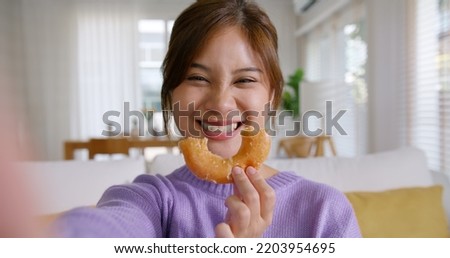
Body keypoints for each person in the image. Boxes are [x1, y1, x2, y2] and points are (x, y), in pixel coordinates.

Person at [53, 0, 361, 238]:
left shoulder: (324, 212)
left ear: (272, 96)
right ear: (171, 94)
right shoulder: (151, 201)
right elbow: (98, 231)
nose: (220, 103)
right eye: (198, 77)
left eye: (244, 80)